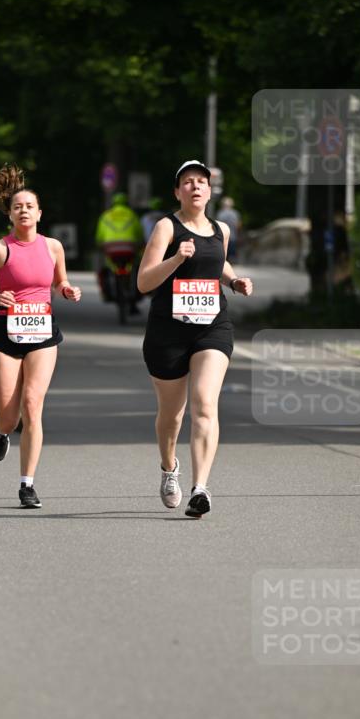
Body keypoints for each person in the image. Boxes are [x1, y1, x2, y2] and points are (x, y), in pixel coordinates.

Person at [137, 160, 253, 518]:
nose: (196, 187)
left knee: (205, 404)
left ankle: (200, 488)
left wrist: (233, 281)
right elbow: (143, 282)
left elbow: (216, 262)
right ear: (178, 192)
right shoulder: (166, 227)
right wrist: (175, 258)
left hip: (211, 327)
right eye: (188, 182)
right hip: (167, 332)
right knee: (172, 415)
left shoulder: (221, 229)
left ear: (209, 190)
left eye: (201, 182)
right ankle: (169, 467)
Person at [0, 163, 81, 509]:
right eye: (17, 206)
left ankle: (27, 484)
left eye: (29, 206)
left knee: (33, 405)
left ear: (39, 213)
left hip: (42, 331)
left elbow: (60, 280)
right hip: (5, 332)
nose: (24, 211)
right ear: (10, 214)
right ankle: (0, 429)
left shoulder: (52, 247)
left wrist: (67, 290)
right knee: (10, 415)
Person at [95, 192, 144, 313]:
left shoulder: (106, 215)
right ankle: (132, 292)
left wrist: (100, 245)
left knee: (109, 267)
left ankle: (109, 289)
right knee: (133, 268)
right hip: (129, 248)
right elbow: (139, 234)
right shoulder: (132, 215)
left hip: (111, 249)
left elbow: (99, 236)